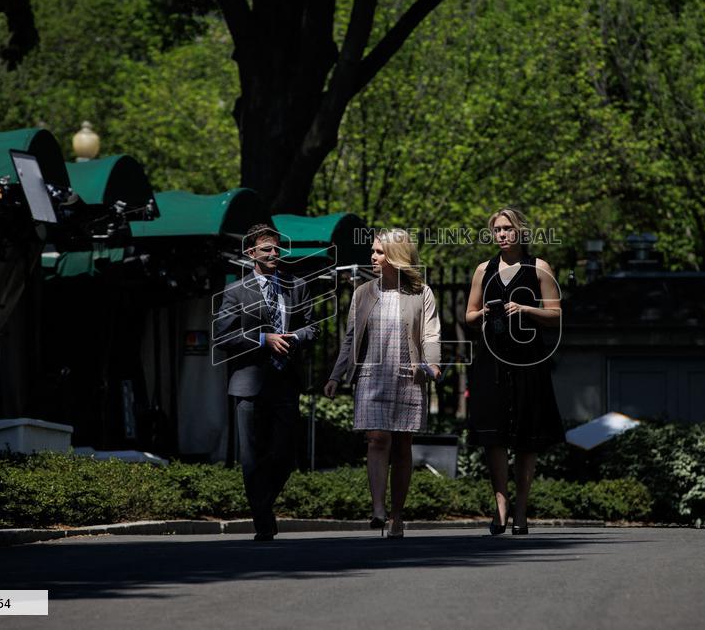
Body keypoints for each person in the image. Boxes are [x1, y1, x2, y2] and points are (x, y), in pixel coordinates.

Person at [324, 229, 441, 539]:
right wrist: (336, 375)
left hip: (408, 375)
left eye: (378, 252)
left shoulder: (421, 293)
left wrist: (433, 363)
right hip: (371, 376)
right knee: (376, 438)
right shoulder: (363, 293)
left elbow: (431, 333)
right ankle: (378, 507)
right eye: (373, 251)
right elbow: (350, 338)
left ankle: (397, 515)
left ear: (395, 256)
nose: (372, 257)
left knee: (402, 445)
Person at [465, 208, 565, 535]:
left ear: (520, 231)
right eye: (497, 230)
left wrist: (525, 309)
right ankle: (500, 508)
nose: (502, 235)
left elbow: (556, 314)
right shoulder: (484, 269)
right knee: (494, 436)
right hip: (491, 360)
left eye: (508, 229)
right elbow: (468, 315)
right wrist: (483, 312)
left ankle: (521, 510)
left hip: (528, 361)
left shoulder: (539, 268)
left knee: (526, 439)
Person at [215, 224, 316, 541]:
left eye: (277, 249)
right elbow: (224, 336)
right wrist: (264, 339)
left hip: (285, 381)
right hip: (249, 384)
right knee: (251, 457)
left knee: (285, 455)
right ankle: (263, 520)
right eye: (267, 250)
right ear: (251, 253)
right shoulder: (235, 292)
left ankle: (262, 504)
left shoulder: (296, 286)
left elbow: (312, 327)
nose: (274, 254)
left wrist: (295, 337)